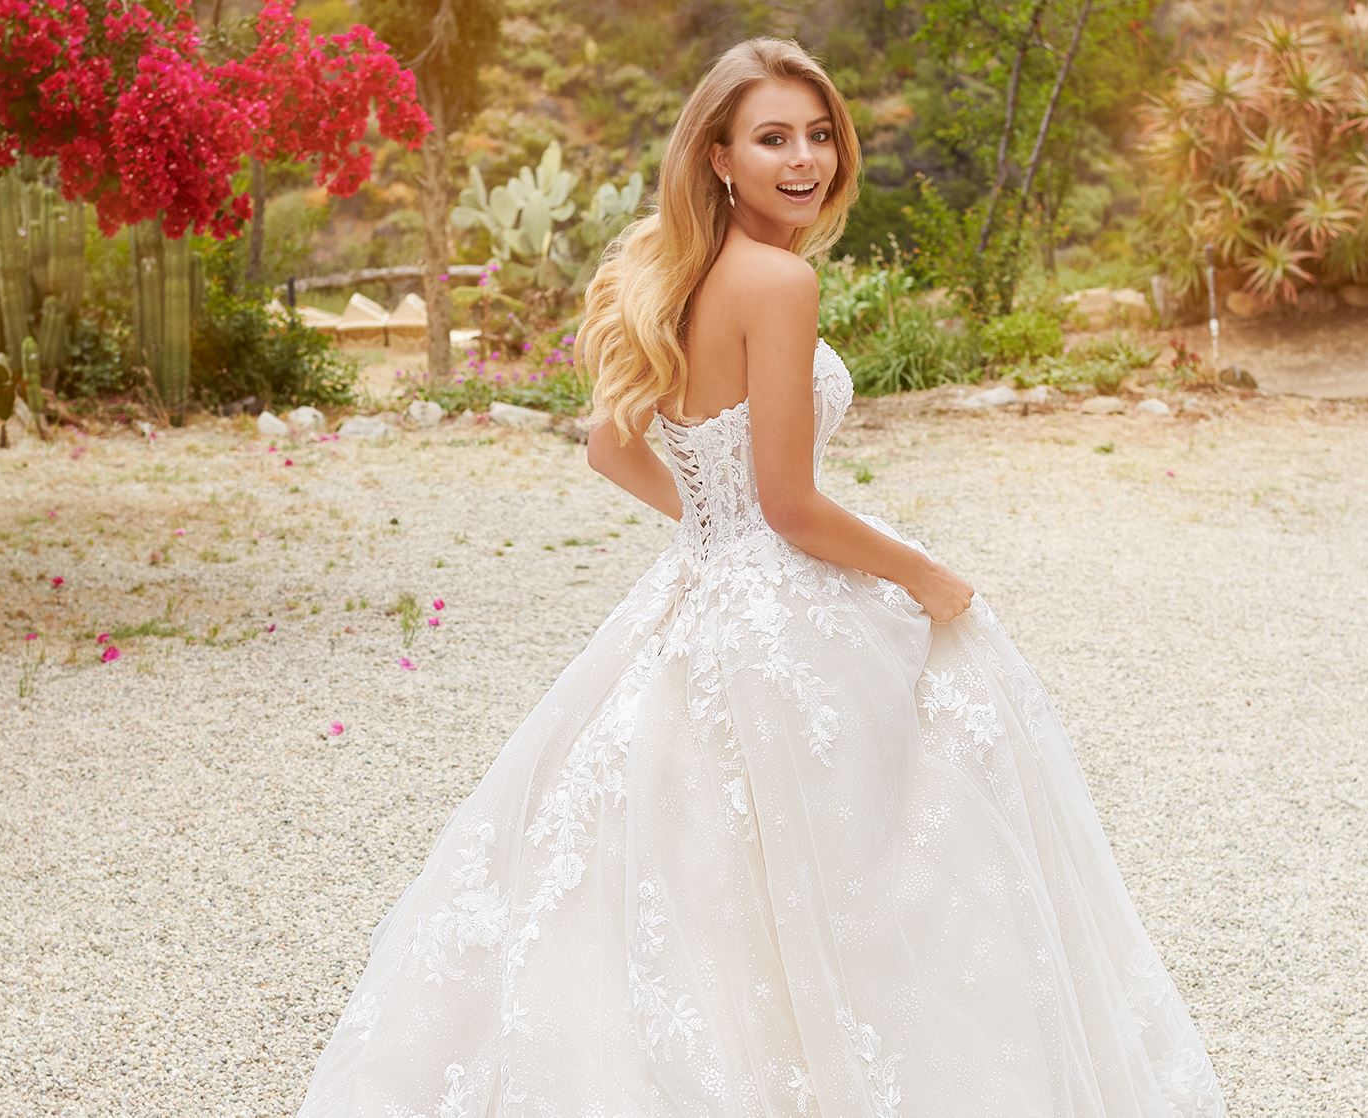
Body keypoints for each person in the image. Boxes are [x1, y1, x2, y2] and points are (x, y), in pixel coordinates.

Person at [298, 36, 1226, 1116]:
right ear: (719, 157)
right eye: (772, 138)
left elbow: (610, 445)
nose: (805, 159)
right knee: (870, 871)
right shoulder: (778, 280)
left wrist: (715, 528)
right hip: (777, 602)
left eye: (819, 134)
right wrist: (928, 575)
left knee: (698, 887)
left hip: (697, 595)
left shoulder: (665, 270)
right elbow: (789, 502)